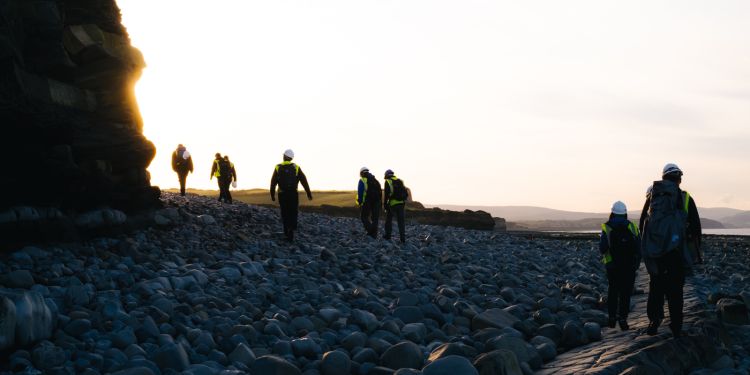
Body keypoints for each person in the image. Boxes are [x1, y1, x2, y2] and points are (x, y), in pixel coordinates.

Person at [640, 163, 702, 337]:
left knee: (656, 286)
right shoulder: (685, 197)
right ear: (679, 178)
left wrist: (647, 248)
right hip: (676, 251)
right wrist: (696, 251)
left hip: (656, 251)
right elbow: (696, 226)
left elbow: (643, 222)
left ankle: (654, 321)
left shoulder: (653, 195)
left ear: (663, 177)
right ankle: (676, 325)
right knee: (676, 289)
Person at [600, 201, 641, 331]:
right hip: (629, 265)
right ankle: (623, 319)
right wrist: (636, 264)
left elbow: (602, 248)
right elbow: (639, 248)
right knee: (625, 293)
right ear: (625, 213)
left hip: (612, 265)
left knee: (613, 291)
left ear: (612, 212)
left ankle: (612, 319)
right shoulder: (633, 227)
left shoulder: (606, 227)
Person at [270, 149, 313, 241]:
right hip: (293, 194)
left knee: (284, 212)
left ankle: (286, 230)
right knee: (293, 212)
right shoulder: (296, 167)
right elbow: (304, 181)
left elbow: (273, 182)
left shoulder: (278, 167)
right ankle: (291, 230)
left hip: (282, 194)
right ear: (291, 158)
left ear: (284, 156)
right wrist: (308, 193)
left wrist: (272, 194)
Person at [383, 169, 408, 243]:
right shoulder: (400, 181)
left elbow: (386, 195)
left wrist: (385, 205)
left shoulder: (388, 181)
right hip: (401, 203)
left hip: (393, 204)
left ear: (386, 175)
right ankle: (402, 239)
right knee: (401, 222)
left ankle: (388, 236)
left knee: (388, 220)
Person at [356, 167, 382, 238]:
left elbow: (360, 192)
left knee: (364, 217)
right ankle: (374, 235)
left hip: (367, 202)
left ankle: (370, 231)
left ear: (361, 173)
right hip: (376, 202)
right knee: (375, 218)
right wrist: (380, 203)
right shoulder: (375, 180)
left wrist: (360, 202)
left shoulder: (362, 180)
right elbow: (380, 192)